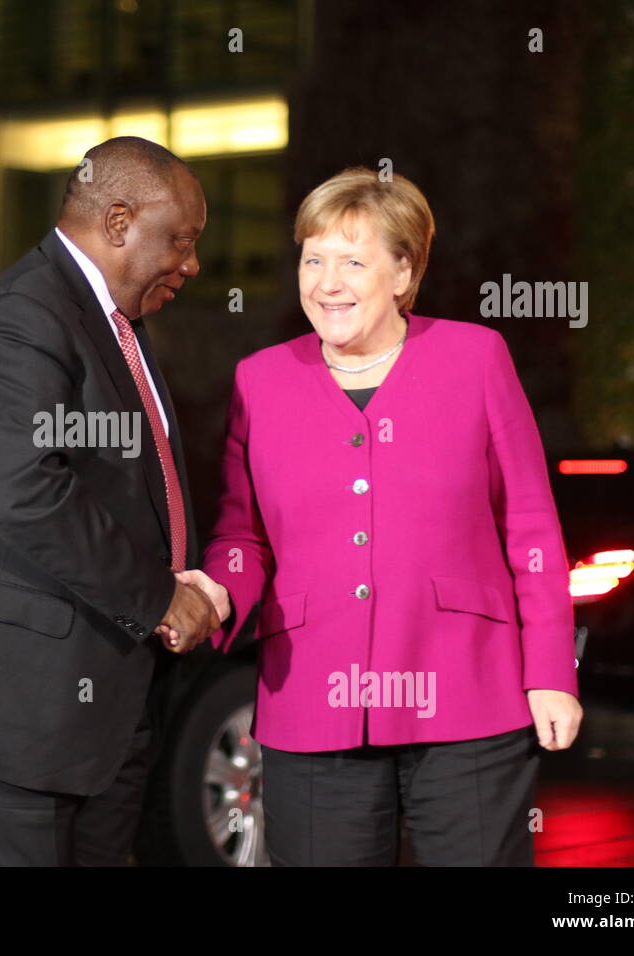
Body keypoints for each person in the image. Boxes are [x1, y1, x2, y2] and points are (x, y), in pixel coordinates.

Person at [185, 167, 581, 866]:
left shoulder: (476, 357)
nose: (327, 281)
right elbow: (242, 532)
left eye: (353, 261)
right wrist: (219, 591)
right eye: (314, 259)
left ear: (403, 271)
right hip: (312, 704)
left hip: (468, 700)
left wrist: (549, 670)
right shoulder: (261, 380)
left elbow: (530, 524)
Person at [0, 136, 221, 866]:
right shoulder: (21, 317)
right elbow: (30, 493)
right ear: (120, 220)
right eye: (183, 240)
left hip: (88, 716)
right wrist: (158, 596)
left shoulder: (112, 322)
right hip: (9, 720)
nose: (192, 263)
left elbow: (123, 489)